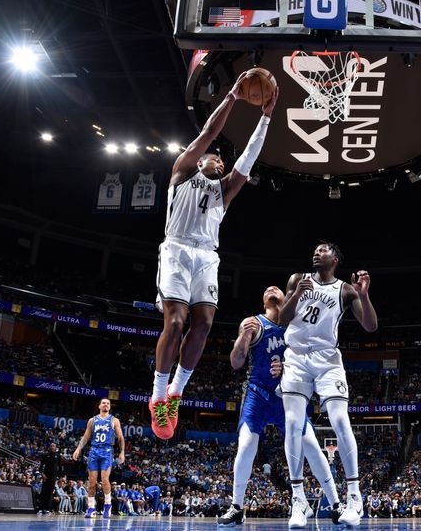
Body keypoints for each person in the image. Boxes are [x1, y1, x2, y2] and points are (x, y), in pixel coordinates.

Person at [149, 71, 279, 440]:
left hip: (206, 256)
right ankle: (158, 396)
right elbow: (207, 133)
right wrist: (233, 98)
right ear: (201, 160)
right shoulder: (183, 173)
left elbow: (250, 157)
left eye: (223, 162)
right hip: (175, 248)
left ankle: (176, 392)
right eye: (215, 158)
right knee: (175, 323)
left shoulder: (225, 192)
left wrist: (267, 116)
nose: (220, 162)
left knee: (203, 324)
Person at [217, 285, 342, 526]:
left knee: (312, 446)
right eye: (266, 289)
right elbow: (235, 362)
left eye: (277, 288)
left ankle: (336, 504)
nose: (272, 288)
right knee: (245, 445)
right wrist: (243, 338)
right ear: (263, 300)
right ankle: (236, 506)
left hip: (289, 395)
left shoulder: (297, 325)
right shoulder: (252, 323)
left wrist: (289, 369)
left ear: (286, 299)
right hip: (258, 393)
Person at [278, 242, 378, 527]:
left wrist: (364, 295)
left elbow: (370, 326)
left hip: (327, 359)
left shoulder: (345, 289)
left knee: (340, 420)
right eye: (315, 249)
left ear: (335, 258)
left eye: (323, 250)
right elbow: (284, 319)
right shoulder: (298, 279)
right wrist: (296, 294)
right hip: (296, 356)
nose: (316, 252)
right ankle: (298, 500)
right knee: (294, 423)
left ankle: (355, 498)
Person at [72, 398, 126, 518]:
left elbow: (121, 437)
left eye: (108, 403)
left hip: (107, 451)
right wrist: (78, 449)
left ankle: (107, 505)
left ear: (110, 407)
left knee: (105, 479)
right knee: (91, 482)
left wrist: (122, 452)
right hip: (94, 451)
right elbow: (86, 437)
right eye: (103, 403)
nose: (106, 404)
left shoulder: (114, 420)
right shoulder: (92, 420)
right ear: (99, 406)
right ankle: (91, 508)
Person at [37, 442, 63, 515]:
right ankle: (41, 509)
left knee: (50, 493)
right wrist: (42, 474)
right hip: (45, 477)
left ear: (55, 447)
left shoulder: (58, 456)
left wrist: (60, 477)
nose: (52, 447)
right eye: (51, 446)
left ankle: (48, 509)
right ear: (49, 447)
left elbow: (60, 468)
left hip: (53, 477)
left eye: (53, 446)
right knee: (43, 492)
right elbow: (41, 466)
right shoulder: (46, 455)